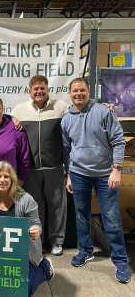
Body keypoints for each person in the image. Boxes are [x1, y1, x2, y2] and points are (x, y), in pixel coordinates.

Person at [61, 77, 130, 283]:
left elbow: (119, 141)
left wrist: (116, 170)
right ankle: (85, 251)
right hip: (78, 174)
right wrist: (69, 174)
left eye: (82, 90)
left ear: (89, 91)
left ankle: (120, 260)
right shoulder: (66, 119)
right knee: (81, 215)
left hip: (104, 175)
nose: (78, 94)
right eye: (75, 91)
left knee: (111, 218)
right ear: (70, 94)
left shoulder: (103, 112)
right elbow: (66, 150)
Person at [11, 75, 68, 256]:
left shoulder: (61, 107)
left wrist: (102, 107)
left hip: (54, 168)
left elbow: (81, 113)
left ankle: (57, 241)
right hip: (30, 171)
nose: (39, 91)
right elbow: (2, 122)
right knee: (34, 208)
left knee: (57, 206)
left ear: (47, 90)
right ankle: (38, 242)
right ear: (30, 92)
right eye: (35, 89)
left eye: (42, 88)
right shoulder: (19, 110)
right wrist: (12, 119)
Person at [0, 161, 55, 296]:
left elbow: (37, 224)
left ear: (12, 179)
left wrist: (36, 231)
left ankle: (45, 267)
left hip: (23, 255)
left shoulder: (26, 200)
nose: (2, 180)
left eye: (6, 176)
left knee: (23, 292)